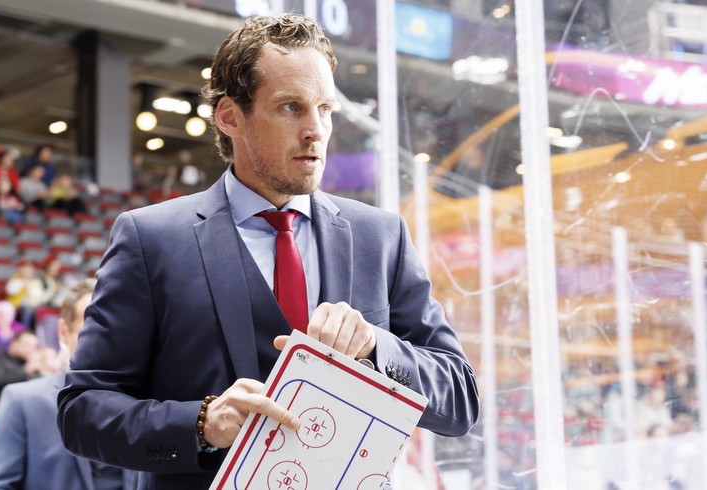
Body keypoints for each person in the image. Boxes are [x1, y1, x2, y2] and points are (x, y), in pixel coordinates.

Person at [57, 14, 479, 490]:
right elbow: (82, 410)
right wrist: (201, 423)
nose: (316, 130)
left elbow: (460, 398)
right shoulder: (150, 239)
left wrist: (377, 347)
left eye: (325, 108)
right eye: (290, 107)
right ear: (230, 116)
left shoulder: (380, 236)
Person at [0, 279, 138, 489]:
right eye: (96, 325)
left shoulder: (143, 406)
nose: (109, 339)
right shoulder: (23, 401)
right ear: (64, 332)